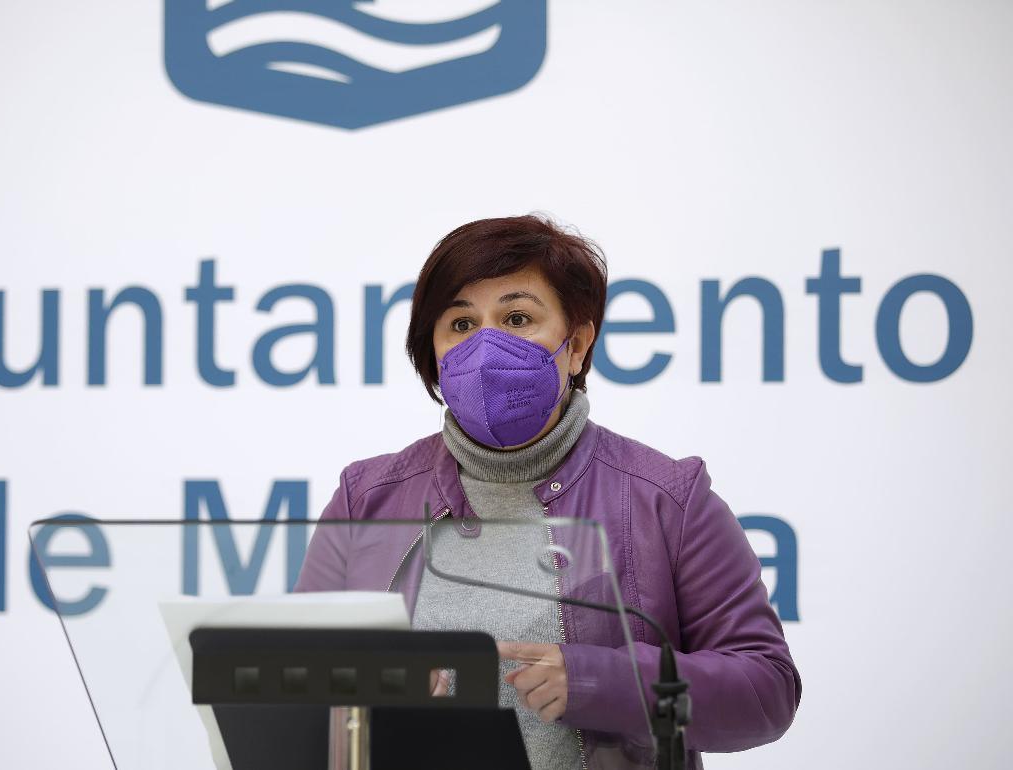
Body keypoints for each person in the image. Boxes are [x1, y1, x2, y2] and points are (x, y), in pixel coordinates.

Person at [294, 214, 800, 769]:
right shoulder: (366, 497)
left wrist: (600, 682)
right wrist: (372, 693)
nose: (486, 347)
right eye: (460, 325)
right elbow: (295, 684)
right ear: (432, 351)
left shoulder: (667, 499)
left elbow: (765, 691)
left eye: (516, 318)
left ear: (577, 344)